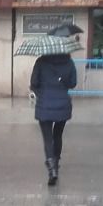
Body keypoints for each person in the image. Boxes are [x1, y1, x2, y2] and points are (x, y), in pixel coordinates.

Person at [30, 51, 77, 186]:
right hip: (63, 104)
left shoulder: (41, 62)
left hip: (44, 104)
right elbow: (72, 83)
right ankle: (56, 162)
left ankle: (52, 170)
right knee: (58, 135)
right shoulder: (69, 62)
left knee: (47, 138)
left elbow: (34, 83)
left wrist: (41, 93)